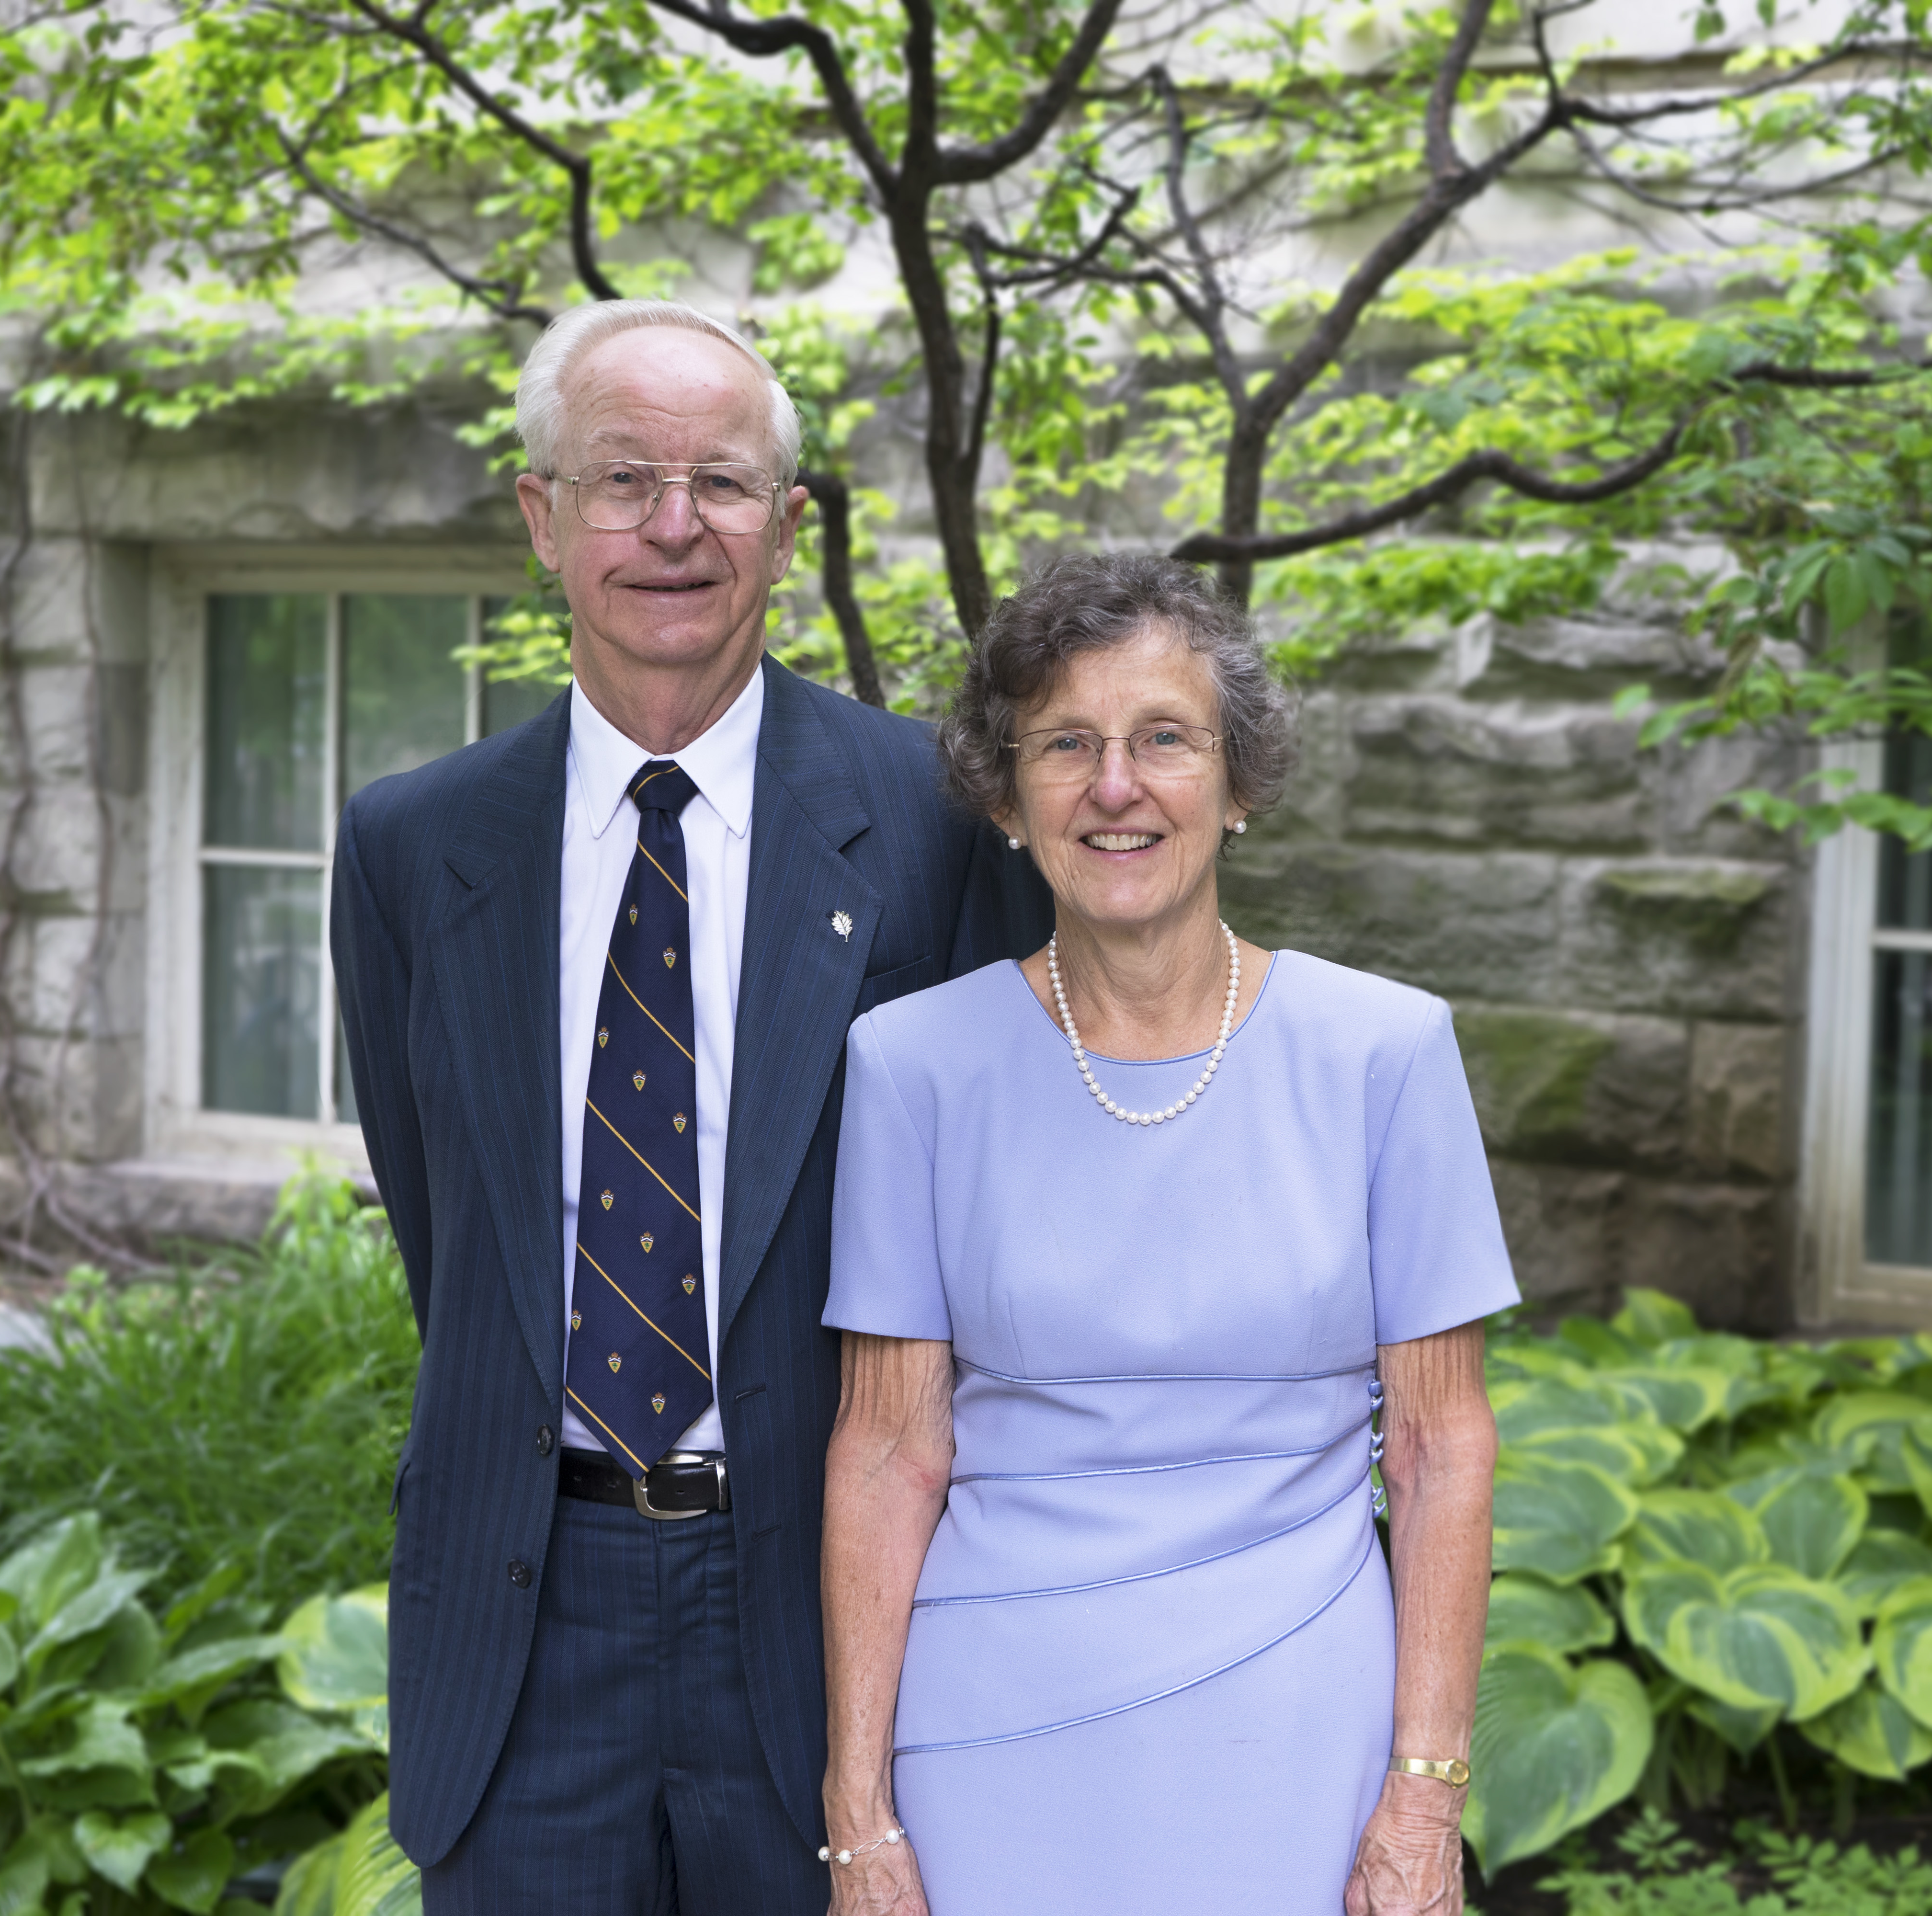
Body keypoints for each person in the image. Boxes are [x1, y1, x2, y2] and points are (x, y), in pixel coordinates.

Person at [331, 299, 1051, 1915]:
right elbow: (456, 1237)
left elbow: (996, 1236)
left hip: (829, 1599)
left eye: (723, 484)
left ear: (789, 528)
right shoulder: (410, 846)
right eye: (621, 479)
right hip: (525, 1613)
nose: (673, 528)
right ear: (541, 516)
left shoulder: (936, 830)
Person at [817, 552, 1510, 1915]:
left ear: (1238, 784)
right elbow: (889, 1454)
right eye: (1066, 744)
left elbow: (1441, 1447)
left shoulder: (1387, 1053)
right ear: (1008, 798)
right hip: (989, 1731)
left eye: (1164, 741)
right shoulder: (912, 1066)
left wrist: (1426, 1795)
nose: (1115, 786)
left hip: (1301, 1728)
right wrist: (860, 1815)